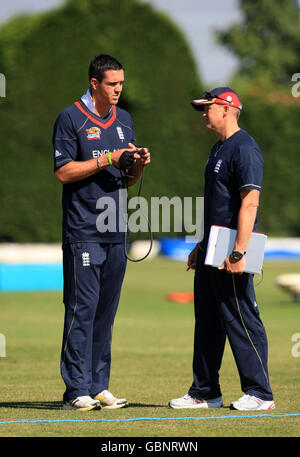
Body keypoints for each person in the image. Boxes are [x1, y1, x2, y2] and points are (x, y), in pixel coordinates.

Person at [53, 54, 150, 411]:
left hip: (116, 231)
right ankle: (75, 389)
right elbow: (63, 172)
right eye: (112, 84)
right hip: (83, 231)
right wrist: (108, 158)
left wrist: (136, 164)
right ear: (94, 83)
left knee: (106, 313)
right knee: (82, 309)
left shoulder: (124, 119)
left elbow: (128, 179)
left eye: (121, 83)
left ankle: (98, 386)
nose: (118, 90)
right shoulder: (70, 118)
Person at [169, 87, 275, 411]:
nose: (203, 113)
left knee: (241, 318)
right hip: (211, 250)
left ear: (226, 109)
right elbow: (215, 205)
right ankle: (204, 391)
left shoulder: (244, 148)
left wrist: (240, 251)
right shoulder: (218, 148)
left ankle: (260, 393)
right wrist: (199, 247)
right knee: (208, 322)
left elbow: (250, 201)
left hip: (232, 250)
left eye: (207, 108)